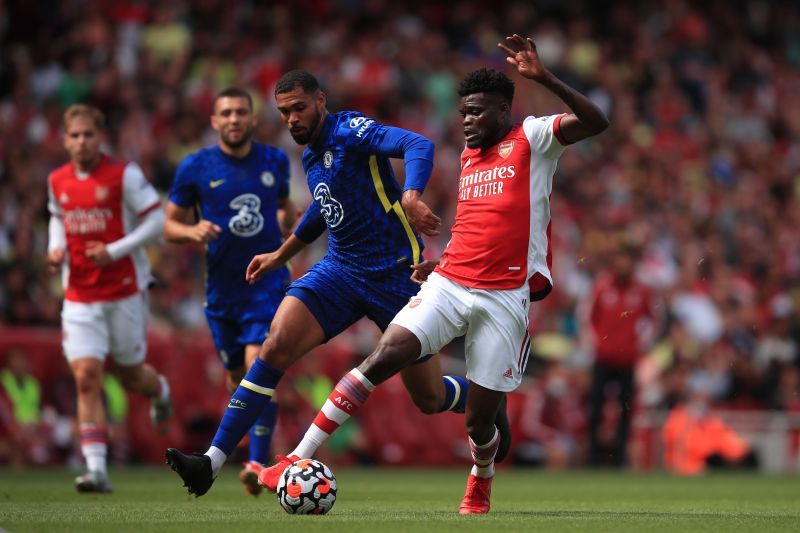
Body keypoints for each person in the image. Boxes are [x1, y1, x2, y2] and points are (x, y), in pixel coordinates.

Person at [256, 35, 609, 514]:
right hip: (449, 282)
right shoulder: (467, 157)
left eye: (477, 112)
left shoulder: (533, 137)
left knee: (479, 427)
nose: (466, 120)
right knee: (385, 355)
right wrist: (439, 262)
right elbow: (475, 225)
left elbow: (596, 121)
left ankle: (480, 478)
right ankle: (296, 457)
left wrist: (545, 79)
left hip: (504, 297)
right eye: (463, 111)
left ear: (504, 111)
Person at [165, 69, 511, 497]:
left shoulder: (350, 130)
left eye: (299, 108)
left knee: (430, 399)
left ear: (320, 101)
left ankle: (485, 398)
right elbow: (320, 210)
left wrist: (412, 195)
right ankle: (211, 462)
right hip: (340, 269)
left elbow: (416, 144)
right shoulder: (310, 156)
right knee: (275, 345)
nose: (292, 118)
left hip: (396, 275)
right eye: (284, 112)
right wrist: (281, 254)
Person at [163, 88, 295, 496]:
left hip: (266, 282)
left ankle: (256, 464)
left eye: (241, 112)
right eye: (227, 113)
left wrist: (287, 227)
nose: (235, 118)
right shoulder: (195, 167)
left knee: (261, 361)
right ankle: (254, 457)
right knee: (239, 381)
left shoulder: (274, 160)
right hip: (221, 293)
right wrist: (192, 230)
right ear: (214, 121)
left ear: (253, 119)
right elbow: (169, 225)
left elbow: (283, 209)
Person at [47, 103, 172, 493]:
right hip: (80, 294)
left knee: (129, 374)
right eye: (75, 135)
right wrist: (55, 247)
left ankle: (160, 390)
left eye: (88, 134)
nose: (81, 142)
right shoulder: (57, 180)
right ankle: (97, 470)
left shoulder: (124, 175)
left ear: (101, 138)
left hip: (123, 292)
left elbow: (157, 221)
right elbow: (56, 215)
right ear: (65, 140)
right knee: (86, 376)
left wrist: (115, 250)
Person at [580, 235, 660, 467]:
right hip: (603, 357)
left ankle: (621, 456)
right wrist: (596, 344)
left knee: (626, 409)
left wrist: (638, 344)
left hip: (627, 359)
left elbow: (655, 319)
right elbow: (586, 317)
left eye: (627, 260)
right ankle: (593, 457)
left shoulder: (643, 290)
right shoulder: (600, 287)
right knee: (596, 406)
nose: (623, 265)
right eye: (619, 260)